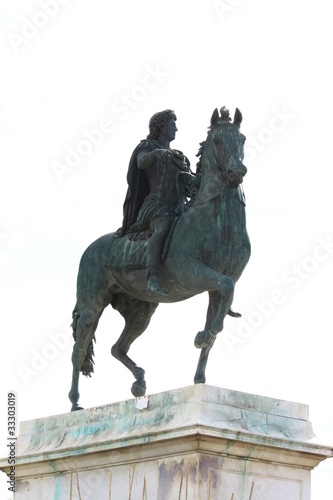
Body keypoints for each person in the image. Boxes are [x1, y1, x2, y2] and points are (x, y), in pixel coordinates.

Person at [117, 109, 193, 294]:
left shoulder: (178, 157)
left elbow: (190, 184)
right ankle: (151, 276)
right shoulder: (148, 147)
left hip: (178, 208)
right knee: (161, 229)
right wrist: (156, 154)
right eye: (172, 124)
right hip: (156, 205)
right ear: (160, 126)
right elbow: (141, 162)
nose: (176, 128)